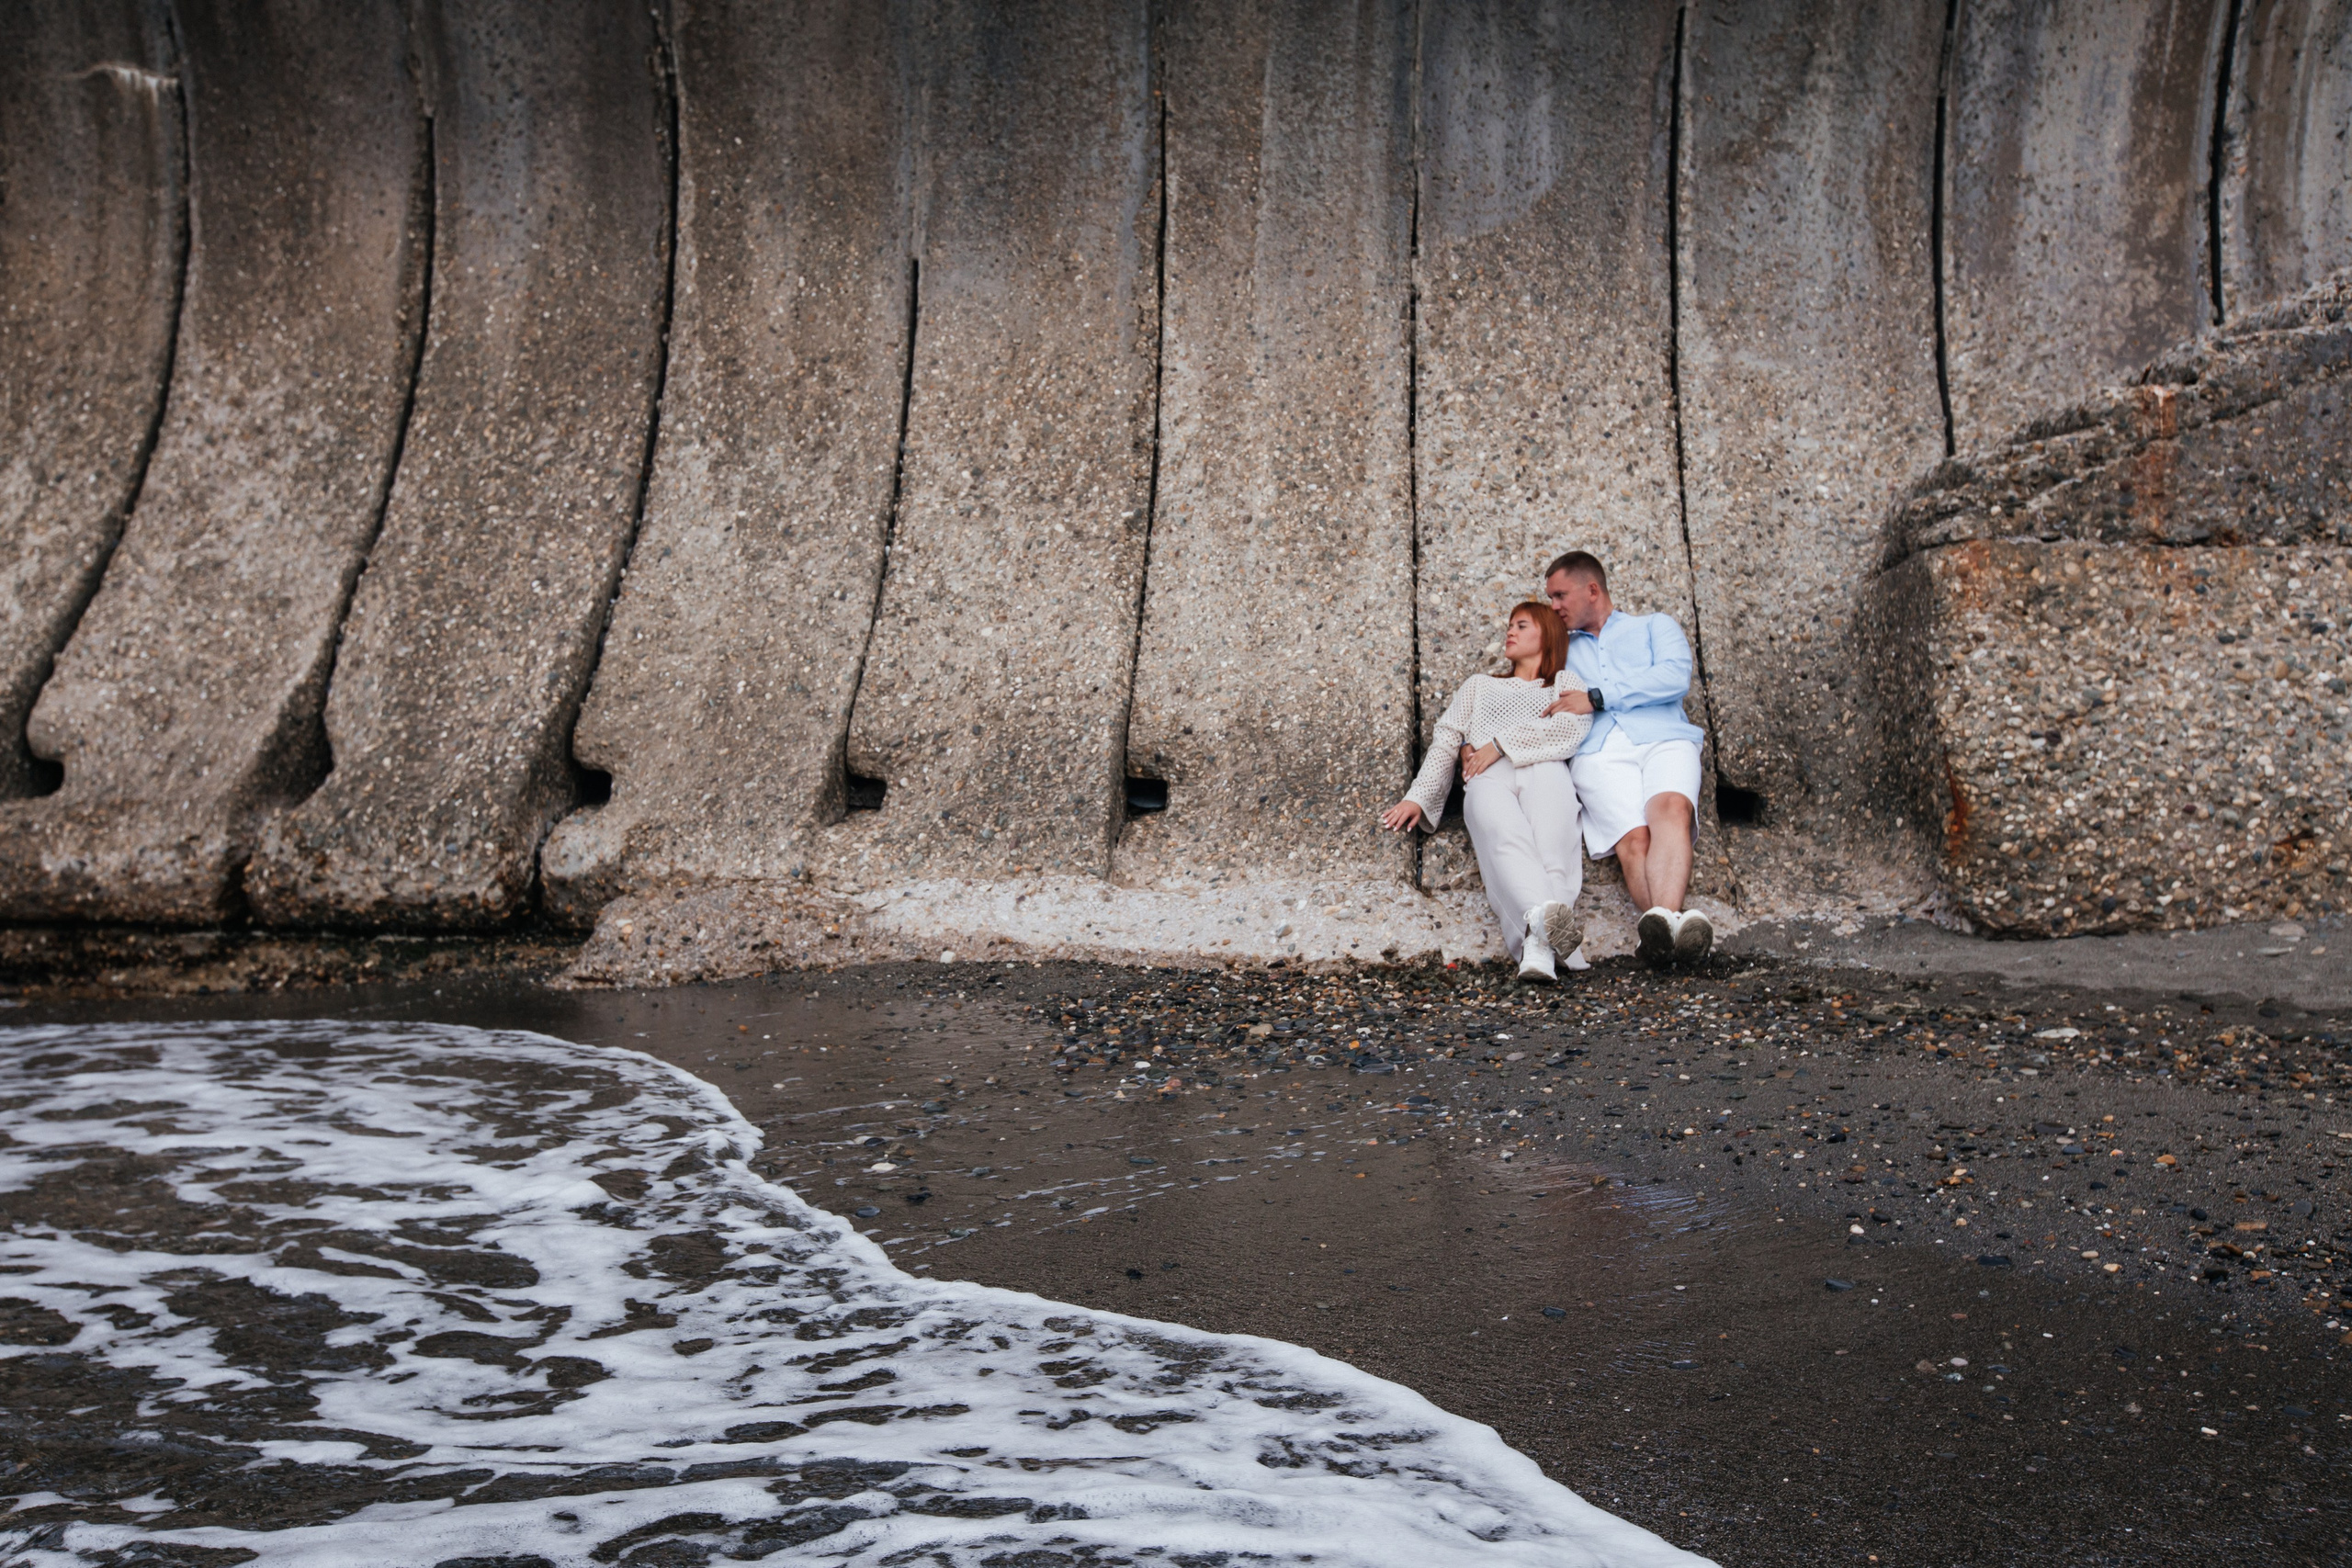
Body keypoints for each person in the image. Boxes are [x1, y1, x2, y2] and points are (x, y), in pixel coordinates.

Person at [1381, 603, 1592, 982]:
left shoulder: (1564, 683)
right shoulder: (1479, 685)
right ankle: (1547, 934)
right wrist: (1419, 795)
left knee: (1553, 851)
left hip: (1545, 768)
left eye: (1521, 625)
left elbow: (1569, 730)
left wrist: (1499, 744)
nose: (1510, 631)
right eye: (1510, 625)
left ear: (1547, 634)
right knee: (1504, 840)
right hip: (1487, 775)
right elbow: (1447, 740)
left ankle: (1537, 949)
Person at [1537, 550, 1712, 964]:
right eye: (1550, 598)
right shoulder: (1560, 648)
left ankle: (1661, 936)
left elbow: (1673, 677)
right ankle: (1672, 933)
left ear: (1592, 590)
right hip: (1598, 752)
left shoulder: (1654, 626)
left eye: (1560, 596)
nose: (1554, 607)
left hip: (1664, 737)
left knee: (1672, 810)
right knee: (1634, 841)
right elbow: (1526, 688)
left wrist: (1597, 697)